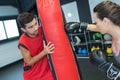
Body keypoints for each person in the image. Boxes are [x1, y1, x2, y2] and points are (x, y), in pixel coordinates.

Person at [64, 1, 120, 80]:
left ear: (105, 21)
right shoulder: (114, 30)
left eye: (96, 22)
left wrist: (109, 69)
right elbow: (97, 28)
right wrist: (81, 26)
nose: (95, 24)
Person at [17, 12, 55, 80]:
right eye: (31, 27)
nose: (35, 28)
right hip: (33, 74)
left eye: (35, 24)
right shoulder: (22, 42)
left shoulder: (42, 29)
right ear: (24, 29)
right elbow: (29, 62)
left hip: (46, 70)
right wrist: (44, 52)